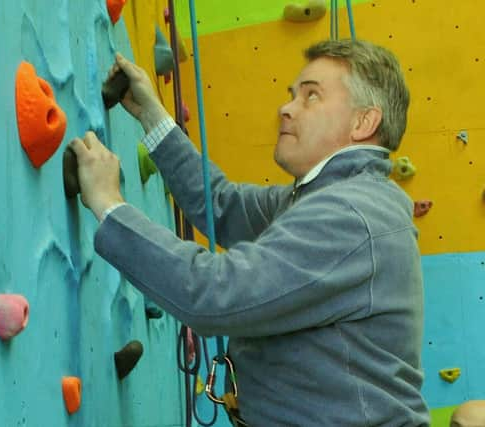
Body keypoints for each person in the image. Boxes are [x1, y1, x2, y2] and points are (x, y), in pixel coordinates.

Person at [69, 39, 430, 426]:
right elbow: (223, 206)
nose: (286, 108)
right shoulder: (328, 197)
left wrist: (109, 204)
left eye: (311, 96)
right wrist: (153, 119)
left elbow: (211, 294)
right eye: (292, 94)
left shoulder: (350, 215)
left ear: (363, 123)